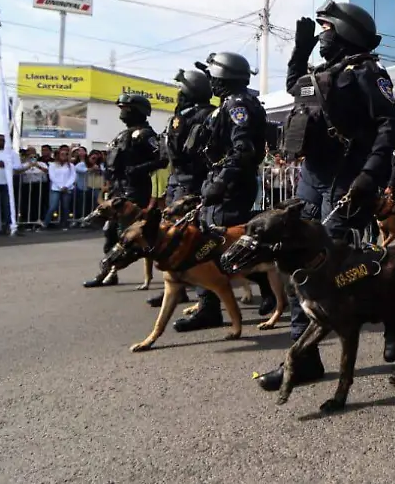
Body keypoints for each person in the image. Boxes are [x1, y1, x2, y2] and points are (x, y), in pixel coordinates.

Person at [255, 0, 395, 390]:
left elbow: (389, 126)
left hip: (346, 180)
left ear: (346, 32)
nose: (321, 35)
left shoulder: (368, 73)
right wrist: (300, 50)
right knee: (298, 266)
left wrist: (370, 176)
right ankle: (304, 360)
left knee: (337, 269)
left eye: (326, 29)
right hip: (312, 177)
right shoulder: (321, 73)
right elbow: (293, 87)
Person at [172, 52, 272, 331]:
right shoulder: (235, 102)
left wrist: (221, 182)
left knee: (210, 244)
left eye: (214, 76)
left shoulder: (236, 105)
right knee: (234, 241)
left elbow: (242, 149)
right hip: (228, 180)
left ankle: (210, 309)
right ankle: (268, 293)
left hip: (230, 184)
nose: (211, 82)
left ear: (224, 77)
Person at [143, 69, 217, 308]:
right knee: (174, 238)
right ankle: (178, 290)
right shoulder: (187, 114)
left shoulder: (200, 116)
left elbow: (182, 151)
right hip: (179, 179)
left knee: (190, 238)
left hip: (193, 181)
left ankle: (206, 298)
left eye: (182, 89)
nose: (179, 94)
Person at [83, 94, 164, 288]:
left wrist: (139, 169)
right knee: (110, 232)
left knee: (131, 235)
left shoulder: (146, 135)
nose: (122, 113)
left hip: (136, 191)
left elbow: (163, 158)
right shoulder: (122, 135)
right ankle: (110, 272)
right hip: (118, 190)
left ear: (138, 111)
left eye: (126, 109)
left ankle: (112, 270)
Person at [43, 145, 76, 229]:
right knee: (53, 206)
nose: (63, 156)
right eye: (62, 154)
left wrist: (66, 186)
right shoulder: (52, 165)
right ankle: (45, 224)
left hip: (67, 188)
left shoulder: (71, 166)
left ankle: (64, 224)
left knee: (65, 207)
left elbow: (73, 176)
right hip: (56, 188)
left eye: (65, 154)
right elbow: (52, 177)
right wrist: (61, 186)